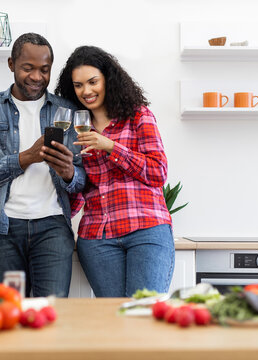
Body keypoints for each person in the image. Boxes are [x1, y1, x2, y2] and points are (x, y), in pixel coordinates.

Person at [0, 33, 86, 297]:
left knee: (50, 314)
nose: (36, 77)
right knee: (6, 316)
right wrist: (25, 158)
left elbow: (82, 179)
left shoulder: (66, 110)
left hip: (53, 227)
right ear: (11, 64)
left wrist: (69, 174)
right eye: (28, 68)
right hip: (2, 228)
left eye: (44, 70)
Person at [55, 46, 174, 297]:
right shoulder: (75, 130)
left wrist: (110, 147)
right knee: (113, 320)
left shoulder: (138, 116)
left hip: (146, 230)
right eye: (78, 85)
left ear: (108, 79)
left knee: (143, 316)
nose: (86, 91)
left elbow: (158, 172)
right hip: (97, 238)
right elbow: (80, 191)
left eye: (92, 82)